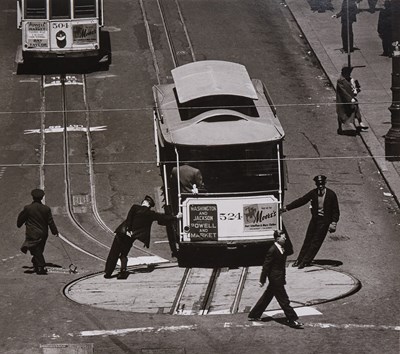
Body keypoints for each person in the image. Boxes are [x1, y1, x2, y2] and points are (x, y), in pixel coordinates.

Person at [104, 195, 181, 278]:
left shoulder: (135, 207)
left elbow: (129, 218)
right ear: (149, 206)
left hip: (122, 232)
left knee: (114, 252)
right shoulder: (151, 214)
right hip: (131, 236)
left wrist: (128, 229)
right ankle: (123, 269)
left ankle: (108, 273)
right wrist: (176, 217)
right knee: (124, 253)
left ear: (144, 203)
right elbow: (163, 217)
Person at [248, 230, 304, 329]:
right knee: (284, 300)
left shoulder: (281, 248)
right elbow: (266, 266)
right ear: (277, 239)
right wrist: (262, 279)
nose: (285, 239)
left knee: (267, 296)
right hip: (275, 279)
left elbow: (290, 251)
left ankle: (254, 314)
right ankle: (292, 319)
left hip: (278, 277)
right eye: (283, 237)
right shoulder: (272, 250)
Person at [281, 175, 340, 269]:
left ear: (325, 183)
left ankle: (305, 261)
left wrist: (334, 223)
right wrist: (287, 208)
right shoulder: (313, 193)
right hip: (315, 220)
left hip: (324, 222)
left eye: (322, 184)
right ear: (316, 184)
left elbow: (335, 210)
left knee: (316, 242)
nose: (320, 186)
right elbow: (302, 200)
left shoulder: (331, 195)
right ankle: (299, 260)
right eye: (318, 184)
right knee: (307, 240)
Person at [17, 189, 59, 275]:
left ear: (32, 197)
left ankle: (41, 267)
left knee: (36, 250)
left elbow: (21, 219)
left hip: (32, 233)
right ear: (42, 197)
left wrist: (19, 223)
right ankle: (36, 265)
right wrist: (54, 231)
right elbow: (50, 221)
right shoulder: (46, 209)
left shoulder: (28, 208)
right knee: (38, 249)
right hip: (43, 233)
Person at [336, 66, 368, 135]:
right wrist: (350, 99)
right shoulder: (340, 80)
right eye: (348, 72)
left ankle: (360, 123)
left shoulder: (350, 79)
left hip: (351, 99)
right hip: (343, 100)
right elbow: (343, 92)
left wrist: (356, 89)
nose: (349, 74)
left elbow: (354, 88)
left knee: (356, 108)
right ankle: (340, 128)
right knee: (341, 114)